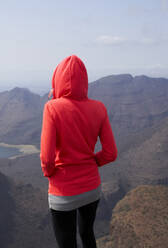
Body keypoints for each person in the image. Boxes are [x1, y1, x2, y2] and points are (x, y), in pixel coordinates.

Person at [40, 55, 117, 248]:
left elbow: (47, 159)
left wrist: (50, 173)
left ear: (57, 78)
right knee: (87, 233)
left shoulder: (52, 108)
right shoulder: (99, 108)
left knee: (67, 242)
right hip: (92, 188)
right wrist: (92, 162)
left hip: (63, 191)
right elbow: (110, 153)